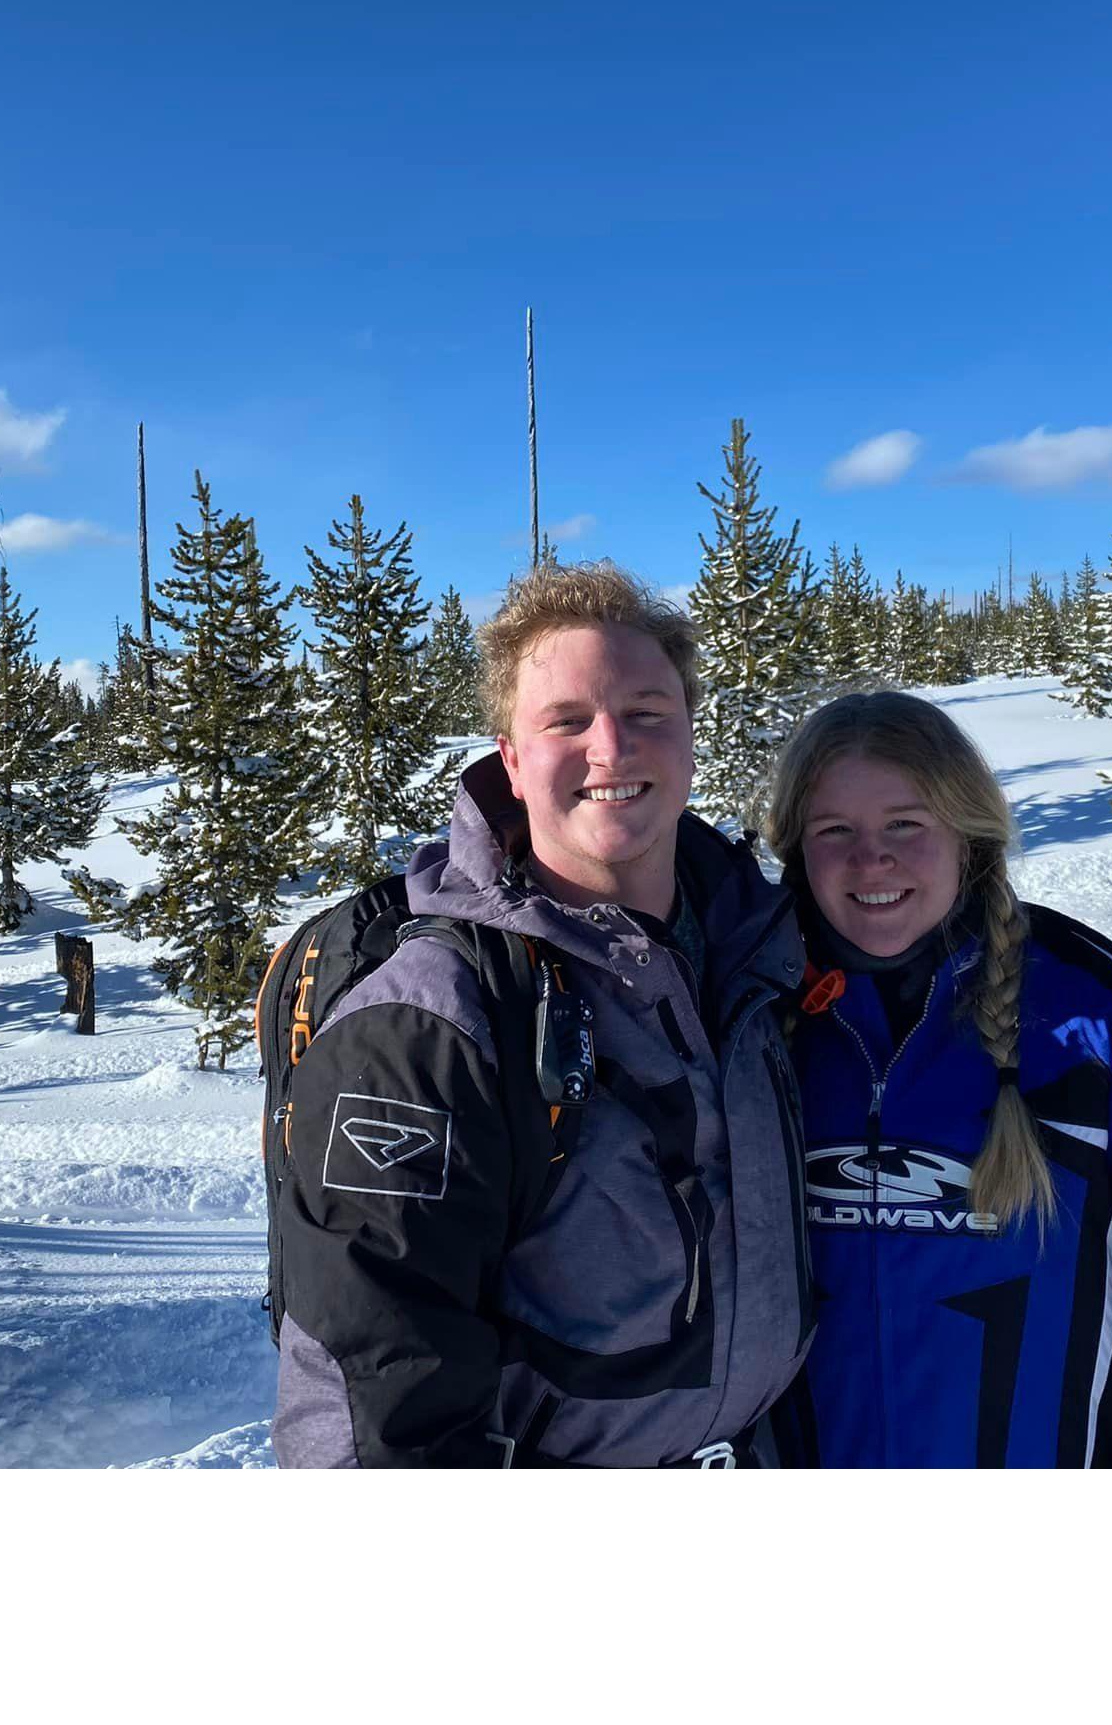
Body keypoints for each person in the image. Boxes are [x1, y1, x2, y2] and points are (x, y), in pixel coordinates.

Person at [273, 561, 814, 1467]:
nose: (612, 748)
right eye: (568, 721)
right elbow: (370, 1393)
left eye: (646, 713)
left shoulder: (755, 947)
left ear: (688, 735)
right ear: (512, 761)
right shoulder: (435, 1014)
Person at [760, 689, 1112, 1468]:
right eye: (835, 830)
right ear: (796, 848)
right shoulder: (752, 1020)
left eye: (906, 824)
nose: (871, 858)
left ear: (968, 833)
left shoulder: (1099, 1022)